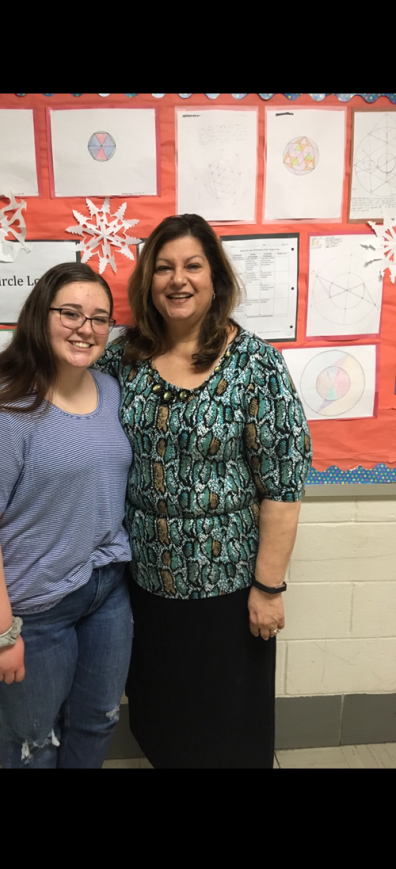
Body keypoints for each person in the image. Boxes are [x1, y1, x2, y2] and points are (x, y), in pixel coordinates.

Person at [95, 214, 312, 769]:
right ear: (148, 280)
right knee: (164, 717)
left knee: (226, 726)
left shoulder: (256, 365)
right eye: (163, 267)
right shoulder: (124, 359)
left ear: (215, 277)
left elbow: (282, 489)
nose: (178, 279)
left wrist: (268, 587)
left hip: (230, 591)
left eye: (193, 265)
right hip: (144, 581)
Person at [0, 263, 133, 769]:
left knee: (99, 720)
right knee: (34, 736)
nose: (86, 328)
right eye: (70, 313)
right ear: (38, 316)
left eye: (99, 318)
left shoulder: (109, 390)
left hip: (105, 588)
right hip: (30, 609)